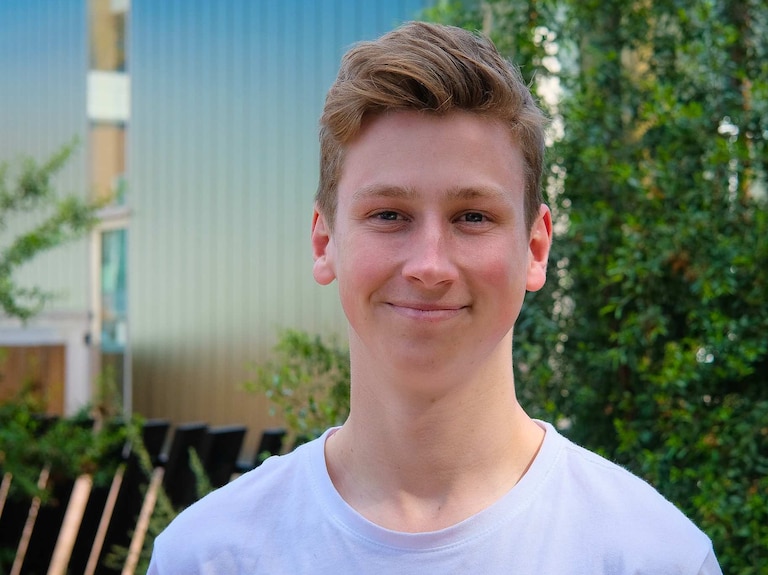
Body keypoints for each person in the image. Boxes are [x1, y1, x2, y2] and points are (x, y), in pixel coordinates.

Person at [148, 21, 722, 574]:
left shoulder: (652, 557)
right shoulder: (207, 557)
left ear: (535, 248)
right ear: (325, 241)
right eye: (389, 215)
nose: (429, 265)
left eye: (473, 216)